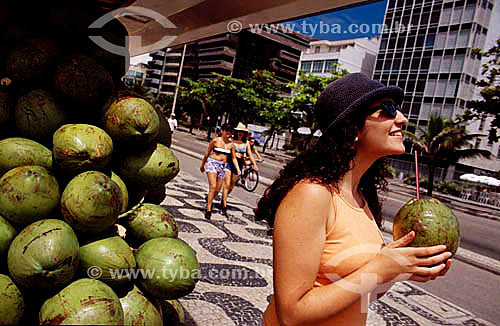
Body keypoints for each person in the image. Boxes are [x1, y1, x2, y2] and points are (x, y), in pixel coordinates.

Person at [254, 73, 453, 326]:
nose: (402, 119)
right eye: (389, 109)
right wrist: (379, 269)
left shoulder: (361, 197)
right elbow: (292, 314)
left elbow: (360, 293)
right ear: (352, 127)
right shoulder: (313, 194)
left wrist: (400, 270)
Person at [200, 123, 238, 220]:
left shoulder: (231, 144)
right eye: (227, 131)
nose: (229, 133)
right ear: (222, 131)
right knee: (212, 186)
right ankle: (208, 209)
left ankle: (209, 198)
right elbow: (207, 153)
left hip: (222, 166)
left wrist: (238, 169)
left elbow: (233, 158)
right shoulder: (215, 141)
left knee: (217, 189)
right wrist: (202, 165)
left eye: (230, 132)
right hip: (212, 163)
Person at [224, 123, 259, 210]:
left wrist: (254, 164)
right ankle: (223, 205)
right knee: (227, 184)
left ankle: (223, 197)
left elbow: (250, 155)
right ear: (236, 132)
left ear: (244, 133)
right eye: (239, 132)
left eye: (242, 132)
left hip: (239, 164)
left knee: (231, 186)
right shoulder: (232, 140)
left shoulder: (246, 143)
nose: (240, 133)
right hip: (229, 162)